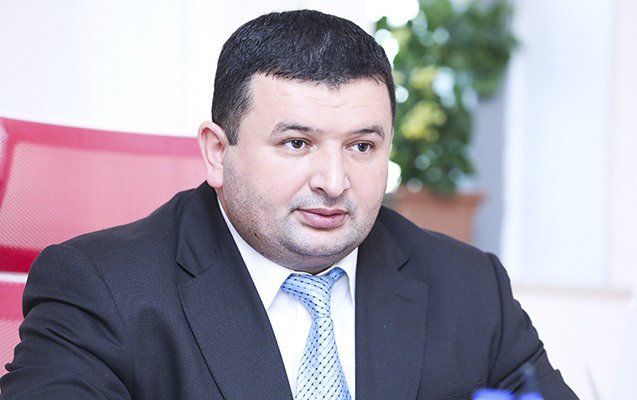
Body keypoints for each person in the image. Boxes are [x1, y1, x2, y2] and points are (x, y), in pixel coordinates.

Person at [0, 9, 578, 400]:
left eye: (362, 146)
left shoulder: (470, 287)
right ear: (217, 152)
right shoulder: (101, 287)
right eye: (297, 143)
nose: (334, 181)